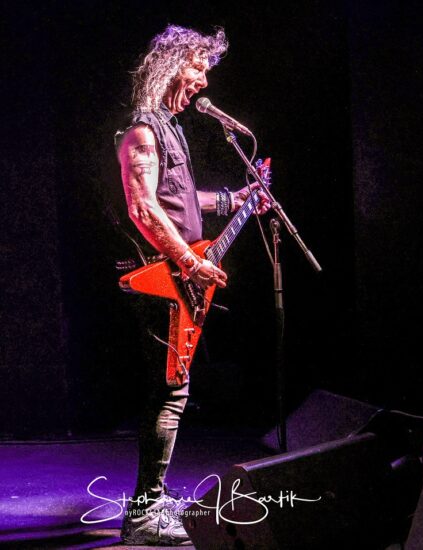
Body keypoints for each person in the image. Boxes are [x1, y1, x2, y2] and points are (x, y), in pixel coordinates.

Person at [114, 25, 270, 545]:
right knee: (169, 392)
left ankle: (153, 501)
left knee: (173, 390)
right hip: (161, 277)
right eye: (197, 67)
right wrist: (189, 261)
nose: (203, 81)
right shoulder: (143, 131)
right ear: (170, 66)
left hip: (181, 275)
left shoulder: (170, 129)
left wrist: (233, 200)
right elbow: (143, 207)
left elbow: (177, 198)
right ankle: (144, 515)